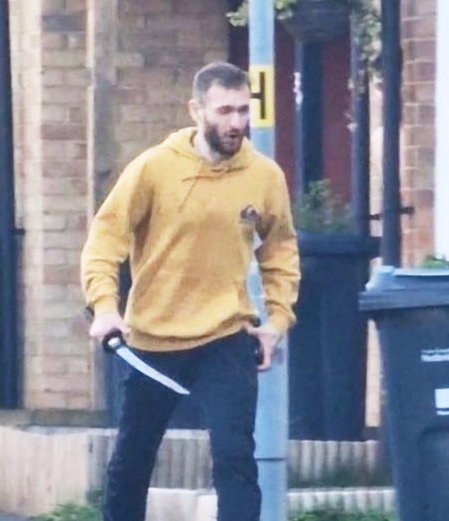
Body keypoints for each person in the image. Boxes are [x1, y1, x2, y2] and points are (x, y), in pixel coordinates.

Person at [81, 61, 300, 521]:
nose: (236, 122)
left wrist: (276, 322)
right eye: (224, 111)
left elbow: (280, 249)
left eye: (243, 110)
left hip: (225, 336)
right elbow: (105, 239)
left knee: (236, 458)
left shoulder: (264, 176)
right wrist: (104, 307)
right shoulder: (154, 169)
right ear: (196, 110)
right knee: (132, 460)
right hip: (152, 339)